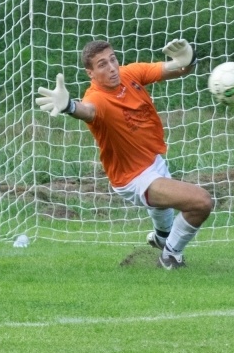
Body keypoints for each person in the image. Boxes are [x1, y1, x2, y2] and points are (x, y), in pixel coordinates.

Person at [36, 38, 213, 269]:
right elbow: (86, 110)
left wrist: (188, 59)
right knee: (201, 202)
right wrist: (69, 105)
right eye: (102, 65)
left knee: (165, 218)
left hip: (153, 161)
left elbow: (177, 68)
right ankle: (170, 257)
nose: (111, 67)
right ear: (90, 73)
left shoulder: (129, 74)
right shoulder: (96, 98)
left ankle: (162, 238)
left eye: (112, 59)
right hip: (133, 177)